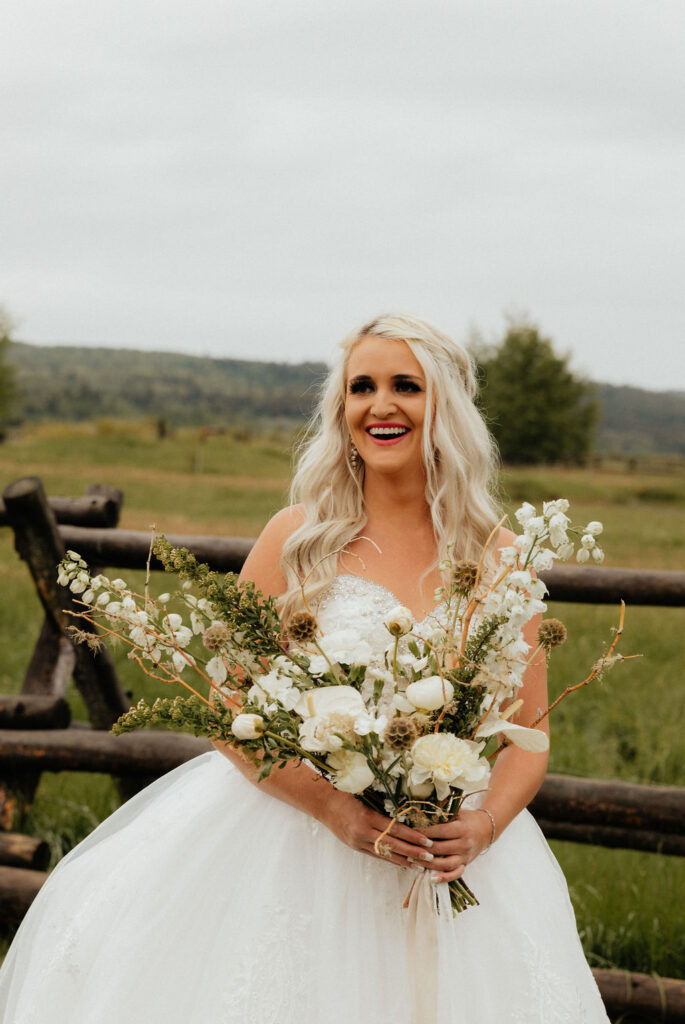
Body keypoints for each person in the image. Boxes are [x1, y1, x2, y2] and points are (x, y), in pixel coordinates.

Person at [0, 313, 609, 1023]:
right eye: (361, 387)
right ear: (341, 409)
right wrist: (336, 810)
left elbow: (527, 737)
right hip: (297, 842)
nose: (380, 405)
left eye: (405, 386)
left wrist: (481, 829)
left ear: (446, 405)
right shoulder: (297, 538)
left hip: (451, 855)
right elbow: (230, 705)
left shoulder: (503, 557)